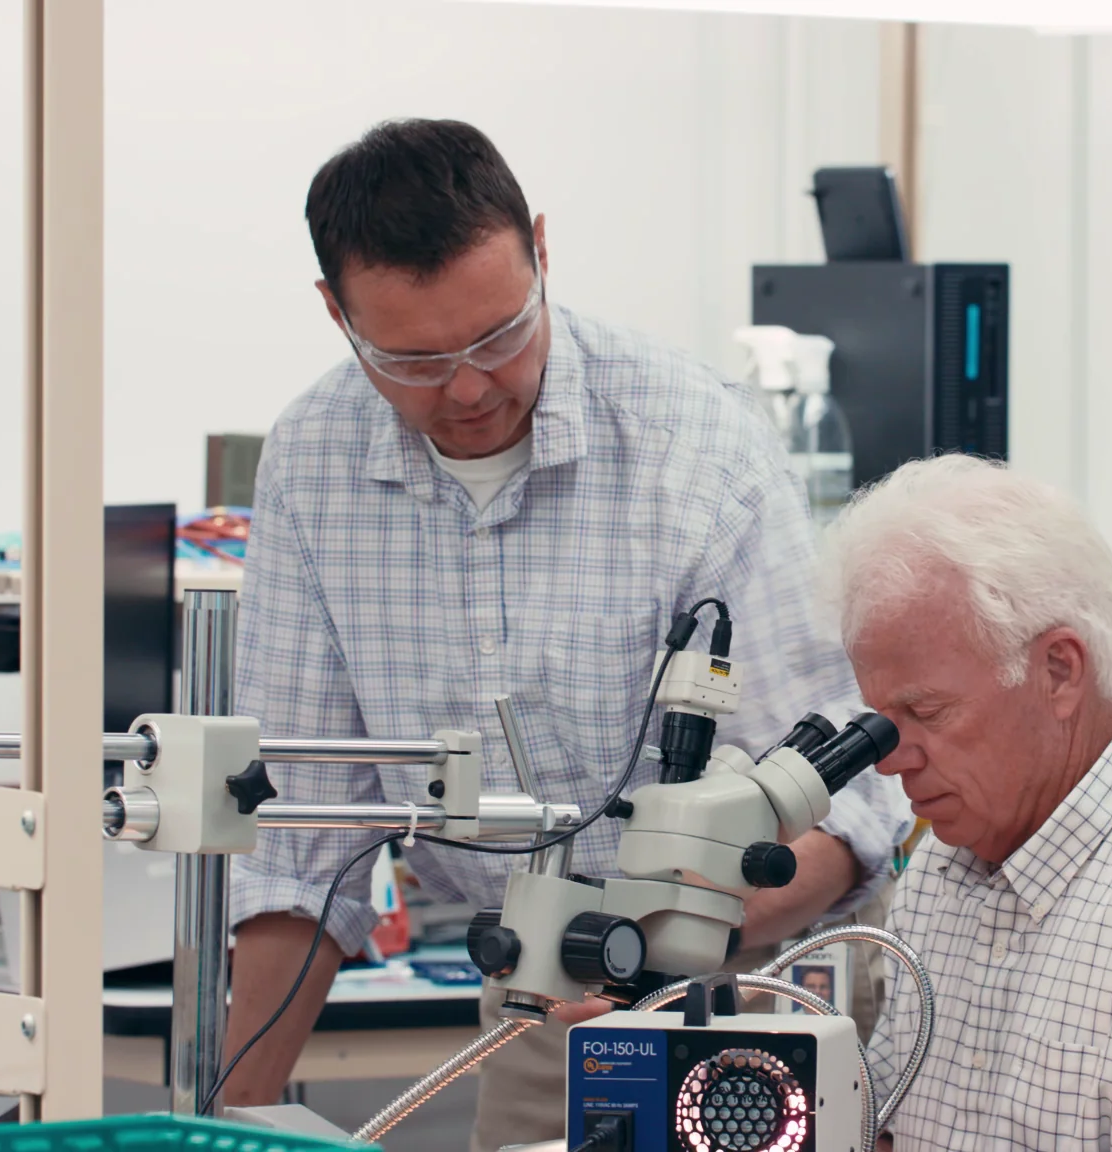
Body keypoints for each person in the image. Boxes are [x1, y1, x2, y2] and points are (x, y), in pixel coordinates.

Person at [221, 119, 911, 1151]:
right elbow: (300, 840)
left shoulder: (694, 442)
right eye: (412, 359)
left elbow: (844, 796)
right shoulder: (311, 467)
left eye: (498, 337)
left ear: (541, 250)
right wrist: (237, 1118)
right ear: (336, 314)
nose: (465, 388)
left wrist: (669, 943)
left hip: (752, 985)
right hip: (537, 1010)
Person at [818, 455, 1112, 1152]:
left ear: (1059, 671)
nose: (893, 759)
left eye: (926, 710)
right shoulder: (943, 867)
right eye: (881, 722)